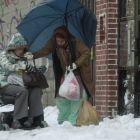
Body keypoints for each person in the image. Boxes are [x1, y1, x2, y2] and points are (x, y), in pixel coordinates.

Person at [33, 26, 94, 125]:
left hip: (77, 74)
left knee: (77, 96)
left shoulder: (75, 42)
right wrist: (32, 55)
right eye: (58, 41)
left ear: (66, 38)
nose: (59, 43)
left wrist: (76, 64)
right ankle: (64, 119)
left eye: (62, 41)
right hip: (64, 74)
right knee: (61, 97)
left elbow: (86, 52)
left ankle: (74, 120)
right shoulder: (53, 42)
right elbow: (45, 50)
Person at [0, 33, 47, 129]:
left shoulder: (24, 57)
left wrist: (38, 69)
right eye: (19, 48)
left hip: (21, 83)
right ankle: (18, 119)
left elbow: (29, 71)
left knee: (36, 90)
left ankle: (35, 118)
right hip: (5, 84)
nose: (21, 51)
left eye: (23, 49)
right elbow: (7, 67)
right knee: (22, 91)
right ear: (14, 47)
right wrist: (23, 66)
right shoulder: (4, 55)